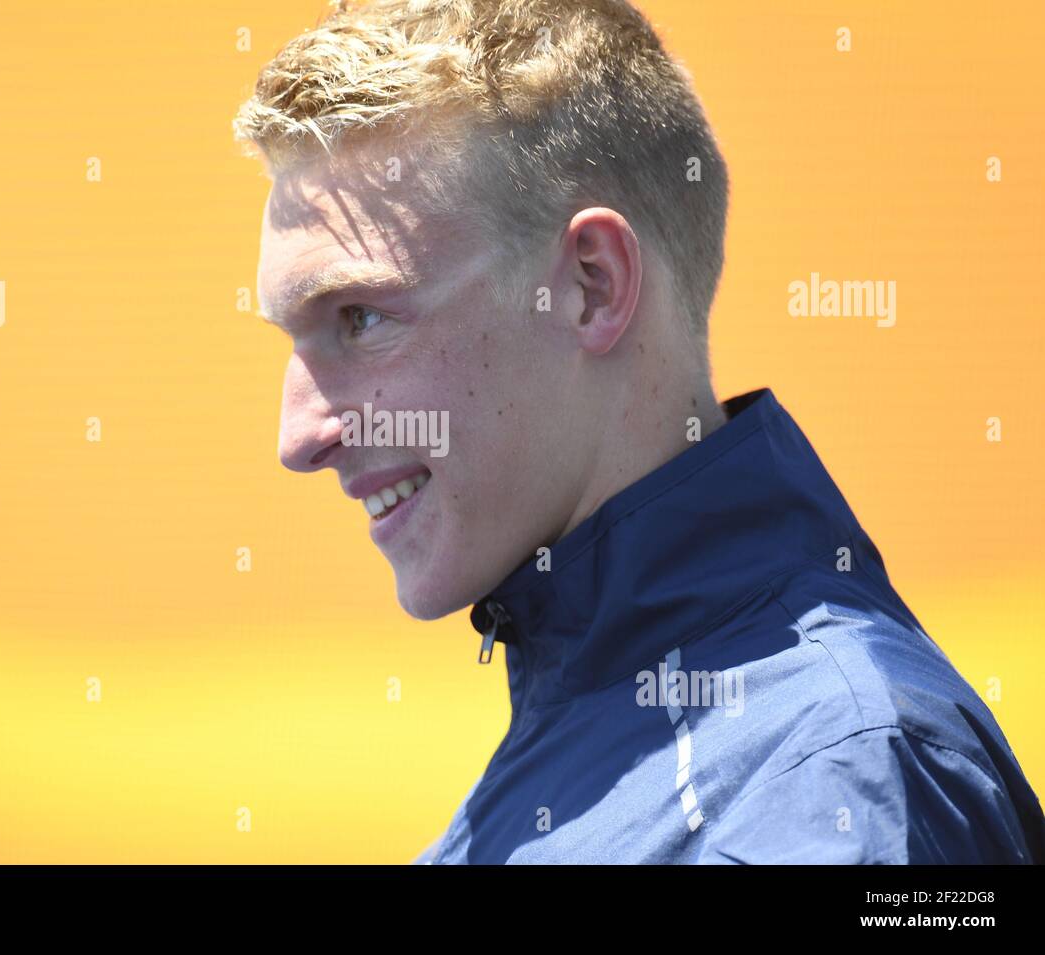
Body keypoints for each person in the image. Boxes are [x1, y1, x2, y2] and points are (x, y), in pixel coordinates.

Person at [233, 0, 1045, 863]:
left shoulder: (839, 777)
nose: (298, 437)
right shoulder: (582, 770)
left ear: (591, 284)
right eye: (297, 338)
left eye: (359, 318)